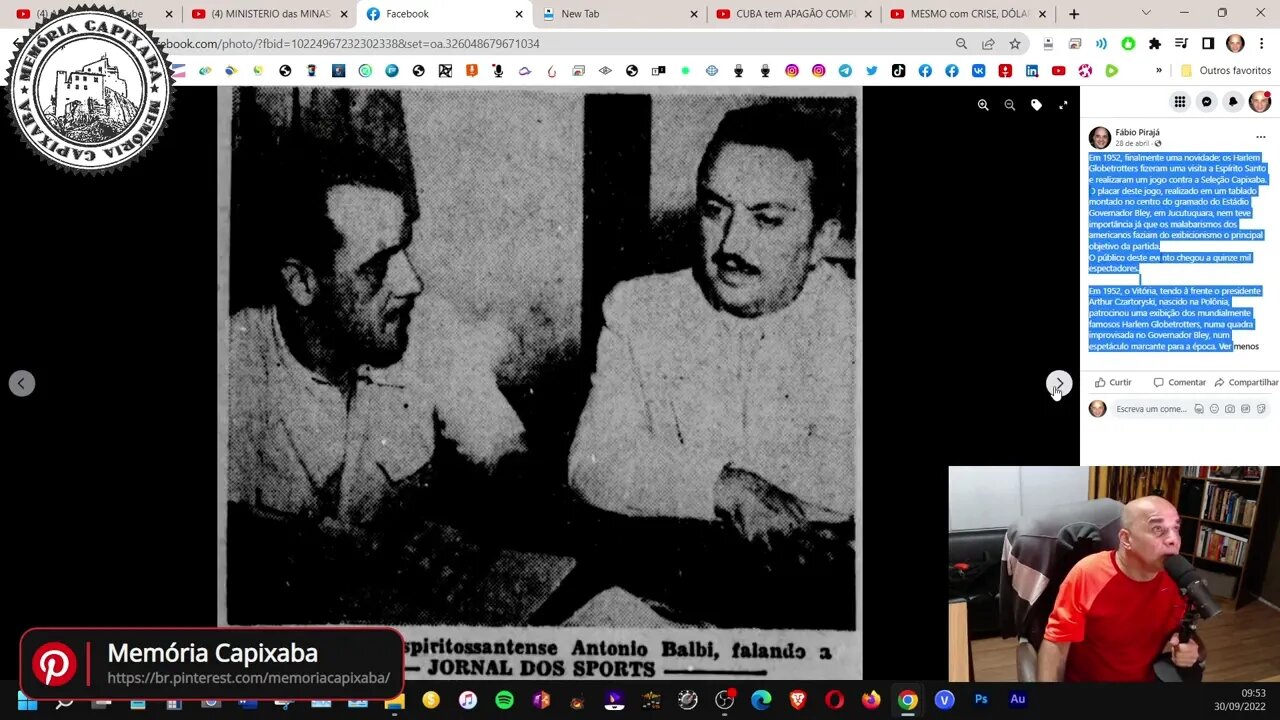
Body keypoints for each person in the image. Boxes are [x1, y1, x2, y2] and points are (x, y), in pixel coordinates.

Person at [568, 105, 855, 619]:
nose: (731, 244)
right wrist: (726, 487)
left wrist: (669, 477)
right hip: (669, 603)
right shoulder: (639, 309)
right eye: (714, 209)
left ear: (823, 240)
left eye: (767, 219)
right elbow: (593, 463)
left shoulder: (853, 321)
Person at [228, 144, 527, 617]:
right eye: (377, 265)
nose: (412, 283)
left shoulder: (425, 326)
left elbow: (505, 452)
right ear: (302, 283)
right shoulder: (234, 358)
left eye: (404, 249)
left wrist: (474, 525)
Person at [1037, 496, 1207, 682]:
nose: (1173, 539)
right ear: (1126, 538)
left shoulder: (1177, 578)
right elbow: (1056, 645)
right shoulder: (1088, 574)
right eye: (1158, 529)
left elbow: (1185, 634)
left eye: (1176, 528)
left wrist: (1191, 649)